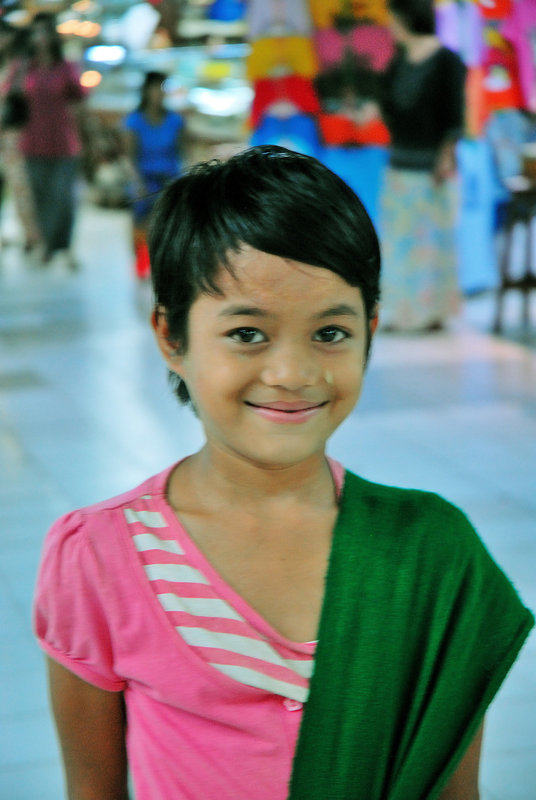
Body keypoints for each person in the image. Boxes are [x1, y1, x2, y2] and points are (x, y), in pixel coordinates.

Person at [33, 145, 533, 800]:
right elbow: (92, 791)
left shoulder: (433, 552)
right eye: (247, 334)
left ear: (370, 330)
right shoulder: (99, 560)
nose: (293, 375)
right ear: (170, 336)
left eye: (330, 333)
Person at [377, 0, 467, 331]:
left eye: (392, 19)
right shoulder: (398, 61)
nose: (389, 27)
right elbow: (389, 107)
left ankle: (431, 313)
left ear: (404, 18)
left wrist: (445, 157)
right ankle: (404, 312)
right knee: (400, 242)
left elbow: (454, 117)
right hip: (399, 163)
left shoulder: (447, 62)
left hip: (432, 169)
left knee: (432, 243)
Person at [18, 12, 86, 267]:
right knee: (41, 198)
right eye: (37, 32)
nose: (41, 37)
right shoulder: (25, 66)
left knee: (63, 198)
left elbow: (80, 95)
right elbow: (10, 95)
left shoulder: (65, 66)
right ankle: (47, 244)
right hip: (33, 142)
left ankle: (65, 246)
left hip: (64, 142)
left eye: (45, 31)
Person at [123, 70, 183, 280]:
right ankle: (141, 264)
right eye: (155, 88)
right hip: (145, 180)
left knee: (170, 225)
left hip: (169, 179)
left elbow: (184, 150)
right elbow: (129, 156)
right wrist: (137, 181)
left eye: (161, 88)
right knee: (141, 224)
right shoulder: (135, 121)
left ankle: (166, 266)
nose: (158, 93)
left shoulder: (175, 120)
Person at [0, 21, 41, 252]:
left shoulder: (19, 67)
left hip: (13, 134)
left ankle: (31, 235)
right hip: (9, 133)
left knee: (20, 187)